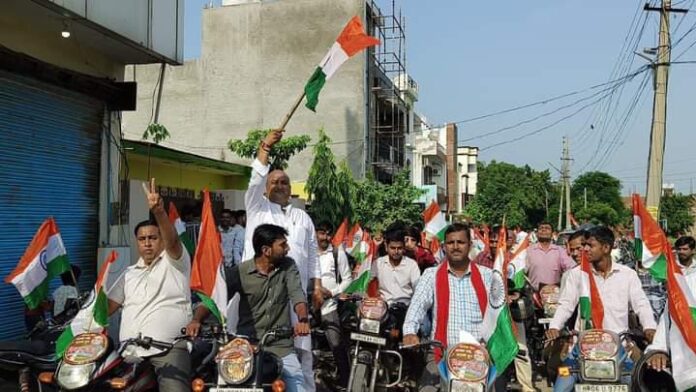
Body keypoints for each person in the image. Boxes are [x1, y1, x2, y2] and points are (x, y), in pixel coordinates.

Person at [241, 129, 323, 391]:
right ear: (265, 189)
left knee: (303, 354)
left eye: (284, 182)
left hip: (294, 297)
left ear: (291, 189)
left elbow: (312, 256)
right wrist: (265, 148)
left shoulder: (302, 218)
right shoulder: (257, 208)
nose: (278, 185)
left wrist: (317, 286)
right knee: (252, 355)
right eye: (273, 181)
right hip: (259, 296)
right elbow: (254, 179)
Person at [187, 224, 310, 392]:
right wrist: (196, 320)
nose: (287, 248)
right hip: (245, 346)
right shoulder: (240, 271)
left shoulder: (288, 266)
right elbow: (213, 299)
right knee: (220, 384)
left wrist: (303, 320)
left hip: (281, 346)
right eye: (282, 245)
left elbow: (298, 296)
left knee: (299, 388)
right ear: (266, 250)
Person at [546, 226, 657, 392]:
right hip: (580, 350)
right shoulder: (577, 274)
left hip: (621, 348)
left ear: (606, 248)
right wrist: (554, 327)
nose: (585, 249)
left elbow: (641, 304)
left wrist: (650, 328)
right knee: (560, 386)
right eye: (584, 245)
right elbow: (566, 304)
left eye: (590, 245)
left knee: (640, 381)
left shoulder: (627, 275)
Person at [107, 179, 192, 392]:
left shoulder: (175, 262)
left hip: (168, 351)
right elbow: (106, 308)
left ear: (161, 241)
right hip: (130, 353)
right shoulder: (128, 274)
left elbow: (173, 242)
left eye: (153, 238)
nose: (147, 243)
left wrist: (159, 212)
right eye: (142, 238)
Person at [402, 223, 494, 391]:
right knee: (426, 388)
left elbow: (497, 314)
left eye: (461, 242)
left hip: (479, 355)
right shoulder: (432, 274)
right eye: (451, 243)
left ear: (470, 246)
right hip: (441, 353)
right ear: (444, 246)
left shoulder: (487, 276)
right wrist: (409, 331)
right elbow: (418, 305)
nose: (456, 247)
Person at [645, 237, 696, 390]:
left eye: (685, 249)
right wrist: (658, 350)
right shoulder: (685, 286)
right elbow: (669, 318)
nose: (681, 252)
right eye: (679, 249)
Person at [314, 222, 353, 389]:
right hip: (307, 307)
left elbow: (347, 279)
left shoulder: (337, 253)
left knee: (337, 345)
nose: (325, 237)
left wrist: (332, 292)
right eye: (322, 233)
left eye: (328, 234)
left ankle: (346, 383)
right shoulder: (307, 253)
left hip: (329, 305)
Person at [372, 227, 420, 307]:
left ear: (404, 248)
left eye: (399, 248)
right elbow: (368, 282)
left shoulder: (412, 265)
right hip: (382, 308)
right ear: (386, 247)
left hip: (405, 308)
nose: (396, 252)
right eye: (393, 248)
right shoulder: (378, 263)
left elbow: (417, 288)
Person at [526, 222, 576, 290]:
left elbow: (571, 268)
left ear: (552, 234)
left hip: (554, 294)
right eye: (541, 228)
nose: (544, 230)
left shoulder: (560, 251)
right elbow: (522, 271)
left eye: (547, 228)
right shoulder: (529, 250)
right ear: (537, 234)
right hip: (534, 294)